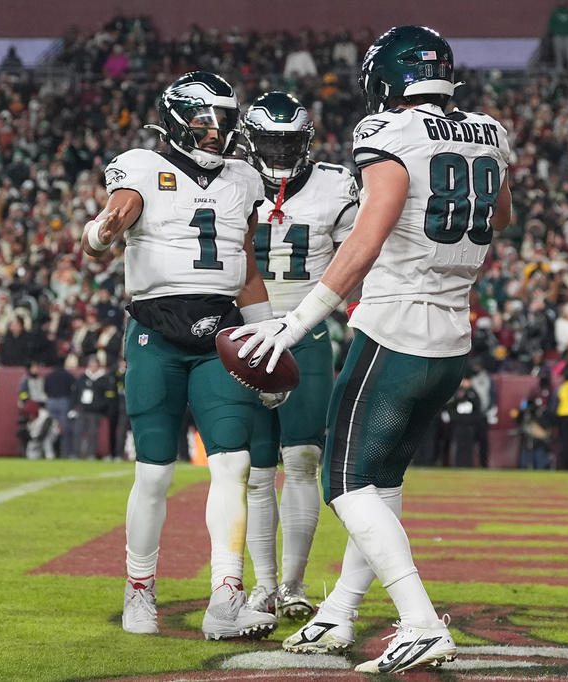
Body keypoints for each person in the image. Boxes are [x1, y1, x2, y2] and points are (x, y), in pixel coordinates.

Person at [234, 26, 512, 673]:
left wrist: (296, 322)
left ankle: (419, 621)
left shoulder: (387, 132)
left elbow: (367, 235)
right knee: (382, 477)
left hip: (394, 328)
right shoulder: (490, 132)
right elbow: (501, 215)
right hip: (452, 334)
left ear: (385, 78)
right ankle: (338, 611)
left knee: (344, 479)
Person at [82, 71, 277, 640]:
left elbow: (244, 265)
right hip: (156, 335)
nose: (215, 135)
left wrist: (265, 340)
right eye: (203, 123)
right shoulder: (143, 165)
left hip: (221, 334)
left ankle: (226, 594)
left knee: (233, 465)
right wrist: (103, 228)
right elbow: (121, 207)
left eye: (222, 124)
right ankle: (139, 588)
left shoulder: (243, 178)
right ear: (174, 121)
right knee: (154, 473)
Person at [239, 91, 357, 621]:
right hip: (245, 334)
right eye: (270, 143)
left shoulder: (336, 185)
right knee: (257, 469)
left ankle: (293, 582)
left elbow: (360, 256)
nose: (281, 154)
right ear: (251, 141)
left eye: (289, 143)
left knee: (303, 462)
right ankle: (263, 584)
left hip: (305, 336)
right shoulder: (229, 181)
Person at [71, 354, 114, 459]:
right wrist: (74, 406)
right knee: (78, 431)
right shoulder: (82, 377)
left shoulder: (103, 379)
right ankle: (76, 453)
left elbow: (108, 396)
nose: (93, 366)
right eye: (91, 364)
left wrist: (100, 406)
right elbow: (75, 393)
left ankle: (91, 454)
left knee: (93, 433)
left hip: (95, 411)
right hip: (82, 409)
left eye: (95, 364)